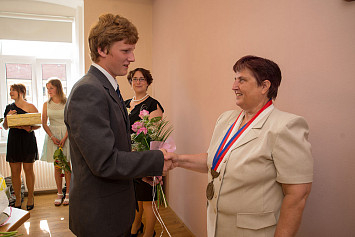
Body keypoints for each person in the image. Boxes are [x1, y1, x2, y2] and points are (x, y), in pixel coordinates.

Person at [167, 55, 313, 237]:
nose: (234, 86)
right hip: (217, 225)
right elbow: (216, 161)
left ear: (264, 86)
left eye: (242, 80)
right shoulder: (226, 119)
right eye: (235, 79)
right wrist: (178, 160)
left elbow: (297, 196)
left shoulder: (285, 126)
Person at [64, 13, 171, 237]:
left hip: (113, 209)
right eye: (125, 50)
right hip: (100, 216)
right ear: (102, 49)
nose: (132, 58)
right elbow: (104, 162)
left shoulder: (107, 87)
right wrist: (158, 159)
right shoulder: (89, 90)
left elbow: (114, 147)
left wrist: (140, 171)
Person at [125, 68, 164, 237]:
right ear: (130, 81)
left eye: (142, 79)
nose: (138, 82)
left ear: (148, 82)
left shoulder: (153, 104)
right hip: (128, 157)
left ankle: (149, 233)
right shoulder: (124, 104)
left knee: (148, 200)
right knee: (135, 198)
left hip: (146, 156)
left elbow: (153, 133)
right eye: (135, 79)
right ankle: (135, 226)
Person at [2, 84, 40, 210]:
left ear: (21, 92)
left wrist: (27, 128)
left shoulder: (31, 107)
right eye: (10, 90)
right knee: (15, 172)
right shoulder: (9, 108)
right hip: (14, 141)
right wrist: (8, 117)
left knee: (28, 170)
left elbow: (38, 125)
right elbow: (6, 126)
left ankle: (30, 196)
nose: (11, 92)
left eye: (13, 90)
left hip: (27, 140)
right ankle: (18, 198)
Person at [41, 78, 70, 206]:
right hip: (53, 137)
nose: (49, 91)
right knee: (57, 165)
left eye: (51, 88)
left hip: (66, 135)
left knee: (67, 165)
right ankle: (59, 193)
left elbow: (71, 121)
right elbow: (43, 123)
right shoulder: (46, 104)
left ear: (58, 88)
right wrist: (52, 137)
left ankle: (68, 192)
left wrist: (64, 138)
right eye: (47, 88)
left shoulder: (67, 101)